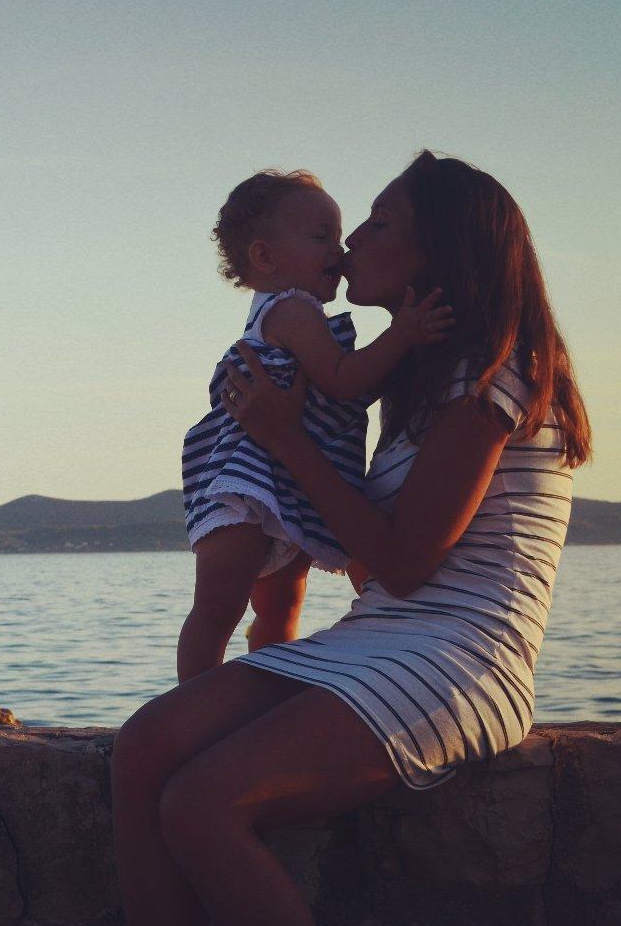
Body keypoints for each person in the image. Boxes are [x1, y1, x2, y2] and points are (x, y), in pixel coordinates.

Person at [114, 150, 592, 926]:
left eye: (379, 222)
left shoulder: (496, 371)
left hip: (462, 657)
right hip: (378, 637)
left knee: (201, 803)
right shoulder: (415, 383)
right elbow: (375, 571)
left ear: (436, 250)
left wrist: (285, 440)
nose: (355, 242)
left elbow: (404, 563)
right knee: (143, 747)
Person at [179, 169, 451, 683]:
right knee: (219, 608)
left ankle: (260, 689)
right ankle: (190, 701)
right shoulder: (292, 311)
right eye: (322, 236)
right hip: (246, 487)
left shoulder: (296, 317)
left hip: (283, 489)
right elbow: (344, 381)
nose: (340, 249)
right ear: (266, 257)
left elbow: (344, 386)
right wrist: (403, 334)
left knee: (273, 608)